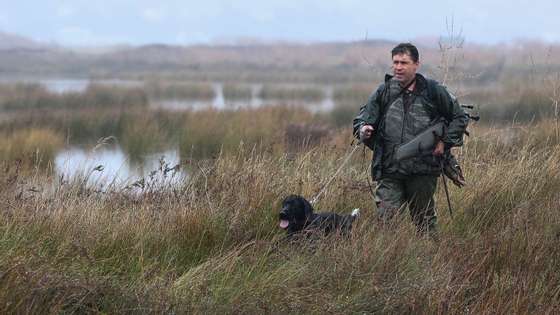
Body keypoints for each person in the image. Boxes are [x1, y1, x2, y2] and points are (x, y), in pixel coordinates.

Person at [353, 43, 469, 234]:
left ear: (416, 64)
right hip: (390, 168)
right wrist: (363, 129)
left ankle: (430, 260)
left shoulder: (433, 91)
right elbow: (362, 120)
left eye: (404, 62)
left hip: (423, 169)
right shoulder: (383, 92)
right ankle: (390, 261)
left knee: (424, 222)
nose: (398, 67)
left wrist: (444, 142)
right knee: (385, 221)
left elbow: (460, 117)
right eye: (395, 62)